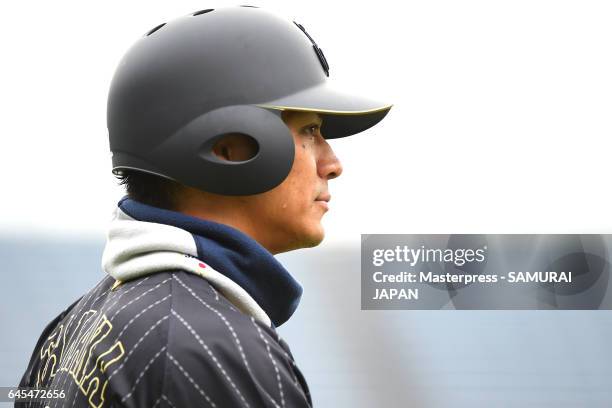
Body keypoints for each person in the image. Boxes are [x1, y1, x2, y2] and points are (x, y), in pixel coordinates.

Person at [17, 6, 391, 407]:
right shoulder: (206, 352)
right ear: (230, 148)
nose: (332, 165)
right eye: (310, 131)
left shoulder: (74, 324)